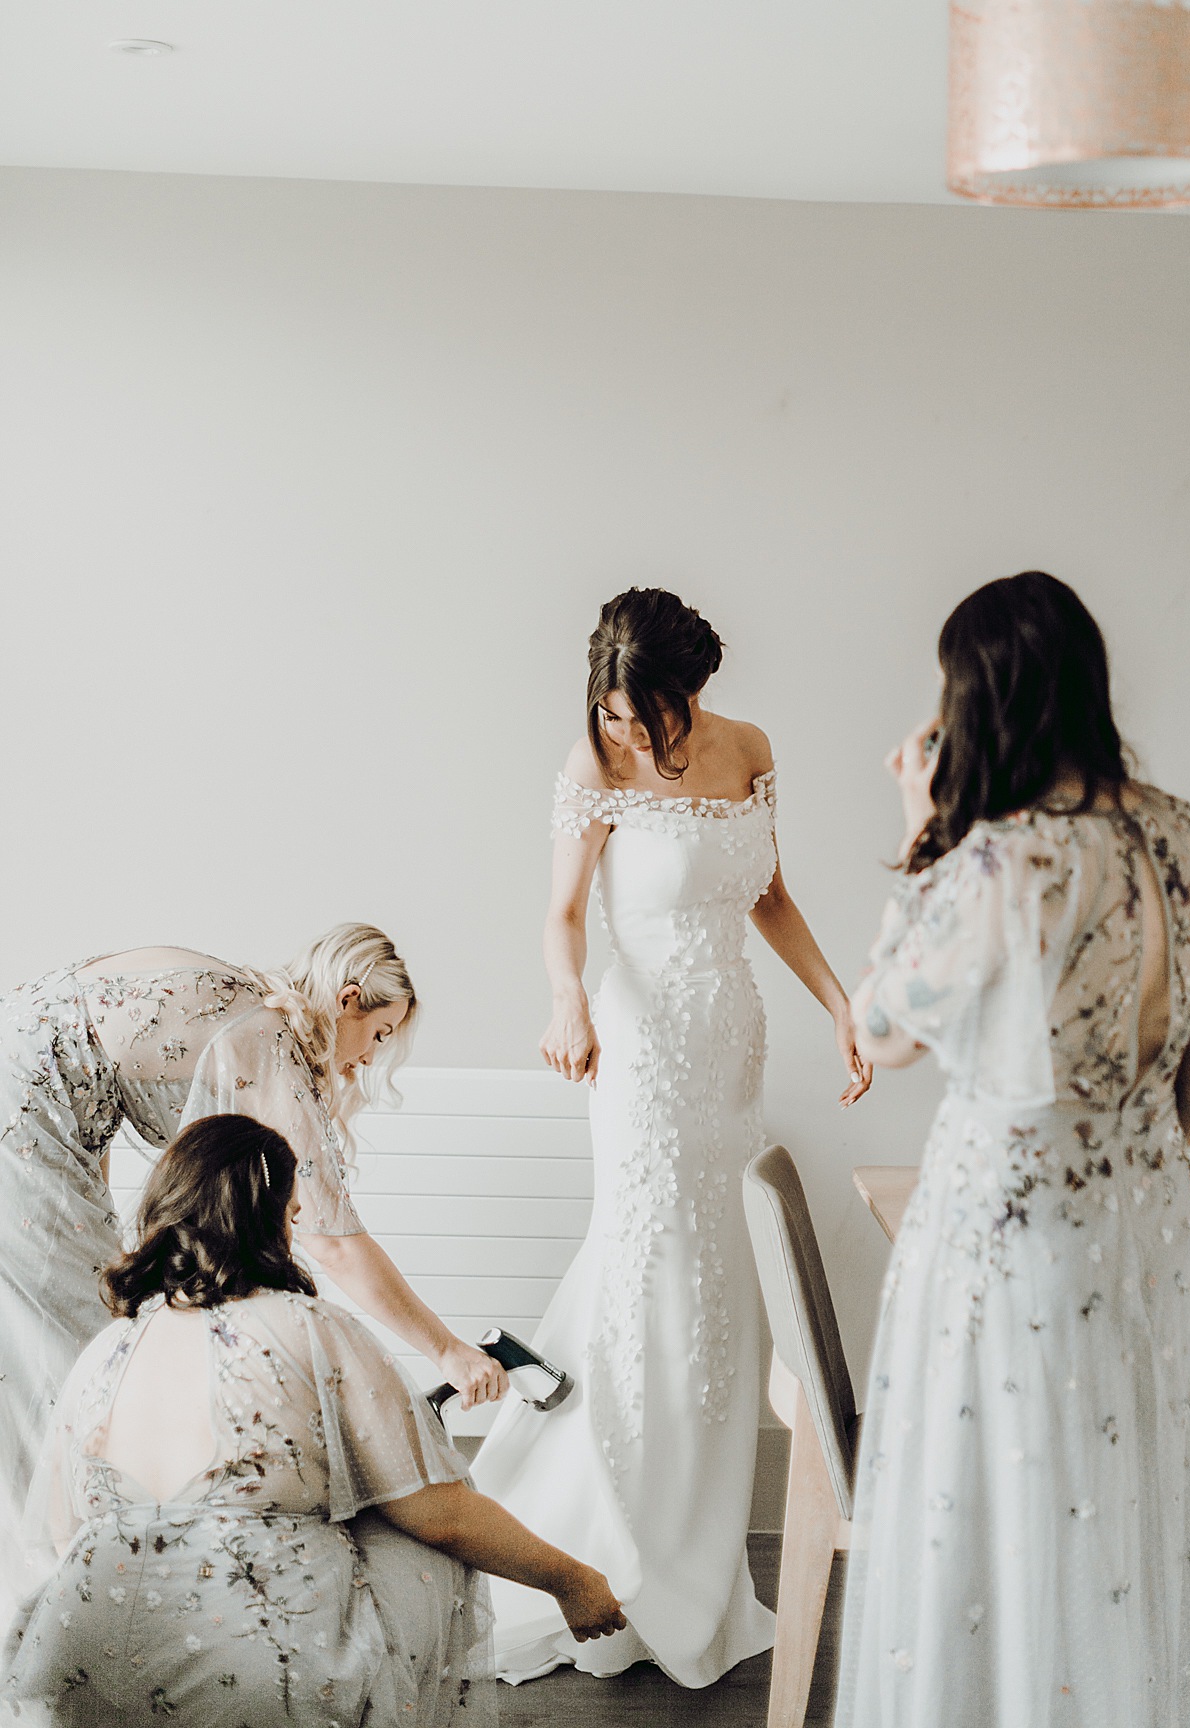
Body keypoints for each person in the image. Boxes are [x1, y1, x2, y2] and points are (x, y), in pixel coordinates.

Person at [836, 572, 1190, 1728]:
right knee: (1114, 1517)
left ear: (980, 701)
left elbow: (878, 1030)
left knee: (990, 1514)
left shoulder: (996, 858)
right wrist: (1119, 1167)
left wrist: (919, 828)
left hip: (1003, 1233)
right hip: (1138, 1229)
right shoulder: (1187, 835)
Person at [471, 586, 868, 1686]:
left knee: (717, 1289)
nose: (632, 735)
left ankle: (697, 1558)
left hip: (728, 1041)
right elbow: (561, 913)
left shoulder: (748, 747)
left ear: (692, 689)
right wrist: (565, 998)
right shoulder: (592, 761)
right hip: (639, 1050)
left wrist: (837, 1002)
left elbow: (770, 894)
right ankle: (604, 1547)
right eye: (613, 714)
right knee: (647, 1275)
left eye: (649, 714)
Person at [2, 1114, 624, 1727]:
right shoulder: (309, 1327)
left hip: (79, 1658)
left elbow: (64, 1533)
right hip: (258, 1670)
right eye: (292, 1214)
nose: (296, 1229)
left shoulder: (106, 1350)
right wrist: (572, 1581)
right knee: (408, 1519)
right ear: (265, 1217)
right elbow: (446, 1516)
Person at [0, 924, 505, 1628]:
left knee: (78, 1352)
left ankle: (89, 1592)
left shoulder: (242, 1001)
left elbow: (89, 1079)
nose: (369, 1059)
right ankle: (74, 1605)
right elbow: (335, 1241)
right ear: (349, 999)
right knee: (78, 1367)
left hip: (34, 1112)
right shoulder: (267, 1038)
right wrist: (447, 1349)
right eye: (380, 1035)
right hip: (20, 1128)